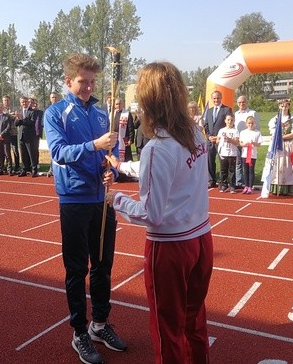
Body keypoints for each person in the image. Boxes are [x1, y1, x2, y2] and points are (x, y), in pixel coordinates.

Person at [105, 61, 213, 364]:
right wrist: (124, 166)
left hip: (171, 248)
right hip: (202, 238)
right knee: (195, 319)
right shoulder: (194, 131)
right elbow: (172, 172)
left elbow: (151, 214)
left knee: (168, 329)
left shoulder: (157, 147)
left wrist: (117, 200)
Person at [44, 53, 126, 364]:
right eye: (82, 82)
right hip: (74, 199)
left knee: (103, 266)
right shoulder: (55, 113)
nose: (88, 87)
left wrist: (112, 170)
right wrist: (95, 145)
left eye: (92, 82)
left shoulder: (102, 112)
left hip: (101, 198)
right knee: (77, 270)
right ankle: (79, 331)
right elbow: (59, 153)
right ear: (68, 82)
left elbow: (113, 150)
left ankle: (99, 324)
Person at [263, 99, 293, 195]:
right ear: (279, 106)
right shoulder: (274, 119)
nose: (284, 108)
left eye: (286, 106)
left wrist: (282, 137)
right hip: (276, 144)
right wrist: (278, 138)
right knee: (276, 165)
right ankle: (275, 187)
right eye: (282, 106)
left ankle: (288, 188)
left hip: (288, 144)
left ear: (289, 106)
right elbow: (273, 132)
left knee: (287, 165)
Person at [204, 90, 233, 188]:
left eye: (218, 98)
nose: (216, 100)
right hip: (210, 140)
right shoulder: (209, 111)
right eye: (214, 98)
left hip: (222, 141)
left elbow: (229, 125)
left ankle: (223, 181)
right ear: (212, 99)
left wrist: (218, 137)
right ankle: (211, 180)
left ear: (221, 98)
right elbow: (206, 125)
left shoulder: (227, 109)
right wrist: (209, 136)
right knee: (210, 161)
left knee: (223, 162)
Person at [234, 96, 260, 188]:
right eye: (239, 102)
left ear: (246, 102)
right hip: (239, 142)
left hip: (250, 145)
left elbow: (257, 127)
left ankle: (249, 184)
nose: (241, 104)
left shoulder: (253, 113)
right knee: (238, 163)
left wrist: (254, 141)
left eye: (243, 102)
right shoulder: (235, 114)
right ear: (237, 103)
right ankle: (239, 182)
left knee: (249, 165)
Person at [15, 96, 39, 177]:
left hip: (30, 136)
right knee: (23, 154)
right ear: (20, 103)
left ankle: (34, 170)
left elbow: (32, 123)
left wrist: (22, 119)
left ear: (28, 102)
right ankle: (24, 169)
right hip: (21, 136)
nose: (24, 103)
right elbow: (16, 124)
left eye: (25, 101)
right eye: (22, 102)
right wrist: (18, 119)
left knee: (32, 154)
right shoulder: (19, 111)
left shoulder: (32, 111)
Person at [239, 116, 263, 194]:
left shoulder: (257, 133)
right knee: (245, 170)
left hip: (252, 155)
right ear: (246, 124)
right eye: (249, 123)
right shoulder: (243, 132)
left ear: (254, 124)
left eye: (252, 123)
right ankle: (246, 185)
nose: (250, 125)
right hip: (244, 154)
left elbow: (259, 144)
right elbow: (240, 143)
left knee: (251, 170)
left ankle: (250, 186)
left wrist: (253, 143)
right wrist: (244, 144)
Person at [216, 113, 239, 193]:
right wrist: (221, 140)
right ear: (225, 121)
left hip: (232, 153)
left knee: (232, 170)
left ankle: (232, 186)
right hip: (223, 153)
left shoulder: (235, 131)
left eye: (231, 120)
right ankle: (223, 185)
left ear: (234, 121)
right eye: (228, 120)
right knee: (223, 170)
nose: (230, 121)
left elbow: (236, 142)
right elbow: (217, 140)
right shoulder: (221, 130)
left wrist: (230, 140)